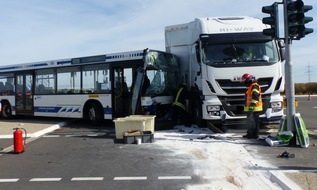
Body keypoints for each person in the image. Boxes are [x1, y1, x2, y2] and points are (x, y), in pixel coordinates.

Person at [241, 73, 263, 139]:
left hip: (255, 108)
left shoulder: (254, 86)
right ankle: (250, 134)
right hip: (251, 108)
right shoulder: (251, 86)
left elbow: (255, 96)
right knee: (250, 122)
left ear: (248, 79)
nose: (244, 81)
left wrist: (252, 106)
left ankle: (255, 135)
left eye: (245, 80)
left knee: (255, 123)